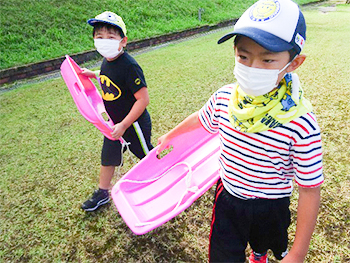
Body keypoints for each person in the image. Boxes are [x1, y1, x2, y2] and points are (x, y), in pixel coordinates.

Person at [157, 0, 323, 262]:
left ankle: (259, 254)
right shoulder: (224, 98)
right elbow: (201, 118)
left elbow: (310, 189)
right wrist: (171, 135)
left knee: (266, 242)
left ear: (294, 63)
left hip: (272, 205)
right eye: (243, 56)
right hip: (229, 198)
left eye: (267, 59)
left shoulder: (300, 121)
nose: (252, 68)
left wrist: (298, 253)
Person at [80, 11, 153, 212]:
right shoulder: (106, 60)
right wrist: (92, 74)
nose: (105, 42)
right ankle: (103, 192)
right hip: (114, 124)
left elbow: (143, 100)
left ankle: (162, 176)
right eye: (99, 37)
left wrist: (124, 125)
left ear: (123, 41)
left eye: (111, 37)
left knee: (145, 155)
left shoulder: (130, 66)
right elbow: (107, 77)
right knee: (108, 155)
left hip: (133, 124)